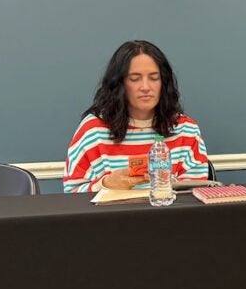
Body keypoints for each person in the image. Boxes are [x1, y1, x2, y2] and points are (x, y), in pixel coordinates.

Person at [64, 40, 210, 193]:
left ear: (164, 83)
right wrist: (105, 184)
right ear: (119, 84)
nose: (146, 87)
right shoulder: (92, 130)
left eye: (154, 78)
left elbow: (195, 195)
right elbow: (71, 192)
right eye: (135, 79)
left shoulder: (186, 129)